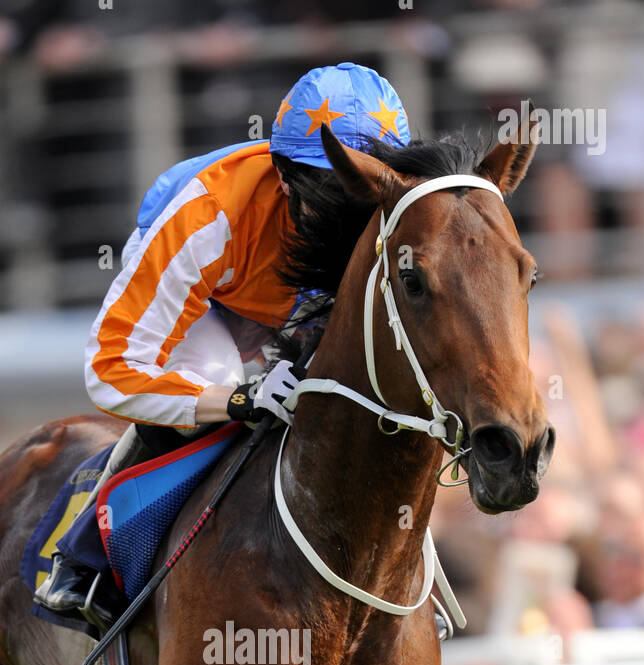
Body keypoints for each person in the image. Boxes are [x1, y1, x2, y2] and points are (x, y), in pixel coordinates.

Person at [35, 60, 410, 620]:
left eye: (367, 194)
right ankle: (85, 553)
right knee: (220, 374)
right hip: (214, 303)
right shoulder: (207, 215)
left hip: (292, 305)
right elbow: (111, 368)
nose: (352, 225)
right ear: (285, 178)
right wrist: (239, 399)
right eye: (335, 198)